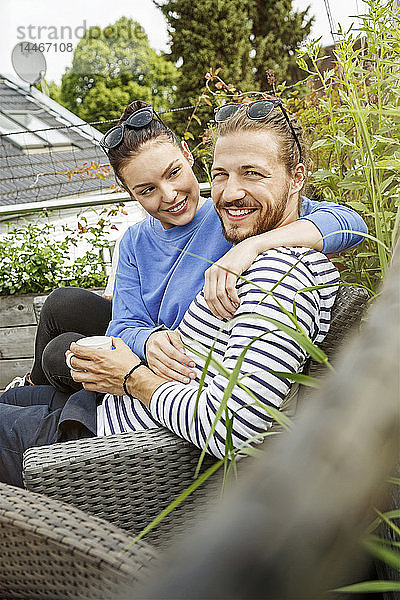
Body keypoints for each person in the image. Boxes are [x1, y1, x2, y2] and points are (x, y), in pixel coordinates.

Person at [0, 99, 340, 485]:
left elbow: (230, 425)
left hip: (121, 429)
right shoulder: (156, 237)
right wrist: (145, 343)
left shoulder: (257, 245)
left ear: (186, 156)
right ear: (130, 194)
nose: (230, 193)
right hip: (128, 394)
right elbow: (125, 322)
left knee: (59, 354)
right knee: (59, 323)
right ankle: (33, 387)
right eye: (222, 176)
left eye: (252, 174)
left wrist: (250, 248)